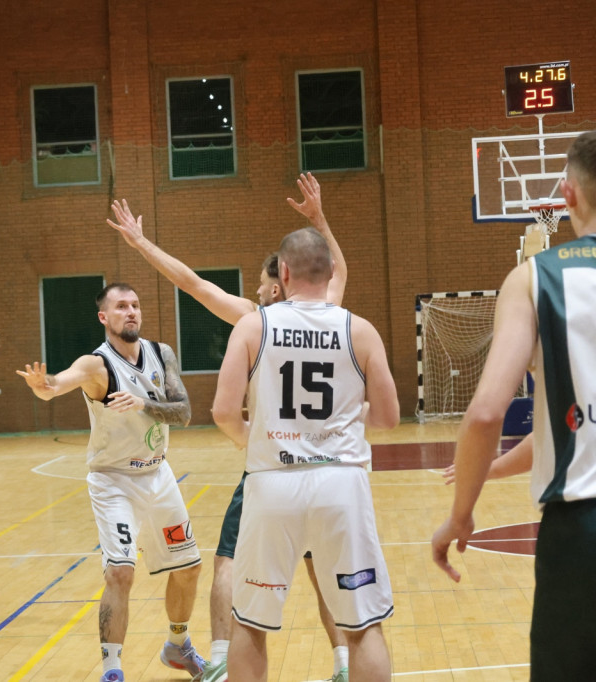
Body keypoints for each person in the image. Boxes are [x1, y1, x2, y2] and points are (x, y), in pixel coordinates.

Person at [107, 172, 351, 682]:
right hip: (327, 468)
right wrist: (319, 219)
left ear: (279, 280)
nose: (254, 289)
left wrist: (140, 241)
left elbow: (191, 283)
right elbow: (337, 268)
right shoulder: (333, 314)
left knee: (226, 562)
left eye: (262, 281)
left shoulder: (254, 319)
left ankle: (219, 660)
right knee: (323, 570)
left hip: (272, 466)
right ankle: (344, 663)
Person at [431, 131, 596, 679]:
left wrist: (461, 515)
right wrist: (498, 468)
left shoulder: (536, 278)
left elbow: (484, 413)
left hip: (581, 532)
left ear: (567, 195)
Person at [212, 227, 399, 682]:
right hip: (341, 484)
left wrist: (247, 437)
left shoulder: (255, 325)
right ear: (331, 271)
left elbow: (222, 411)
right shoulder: (360, 330)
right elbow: (389, 418)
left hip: (272, 482)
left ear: (286, 272)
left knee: (250, 624)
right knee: (361, 624)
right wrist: (346, 421)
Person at [18, 284, 205, 682]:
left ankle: (178, 645)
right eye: (121, 306)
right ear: (104, 317)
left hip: (158, 474)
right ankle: (112, 670)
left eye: (135, 305)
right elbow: (58, 383)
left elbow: (185, 412)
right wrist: (44, 386)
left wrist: (142, 404)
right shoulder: (96, 365)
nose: (131, 312)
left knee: (189, 568)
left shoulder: (161, 353)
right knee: (120, 572)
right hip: (114, 481)